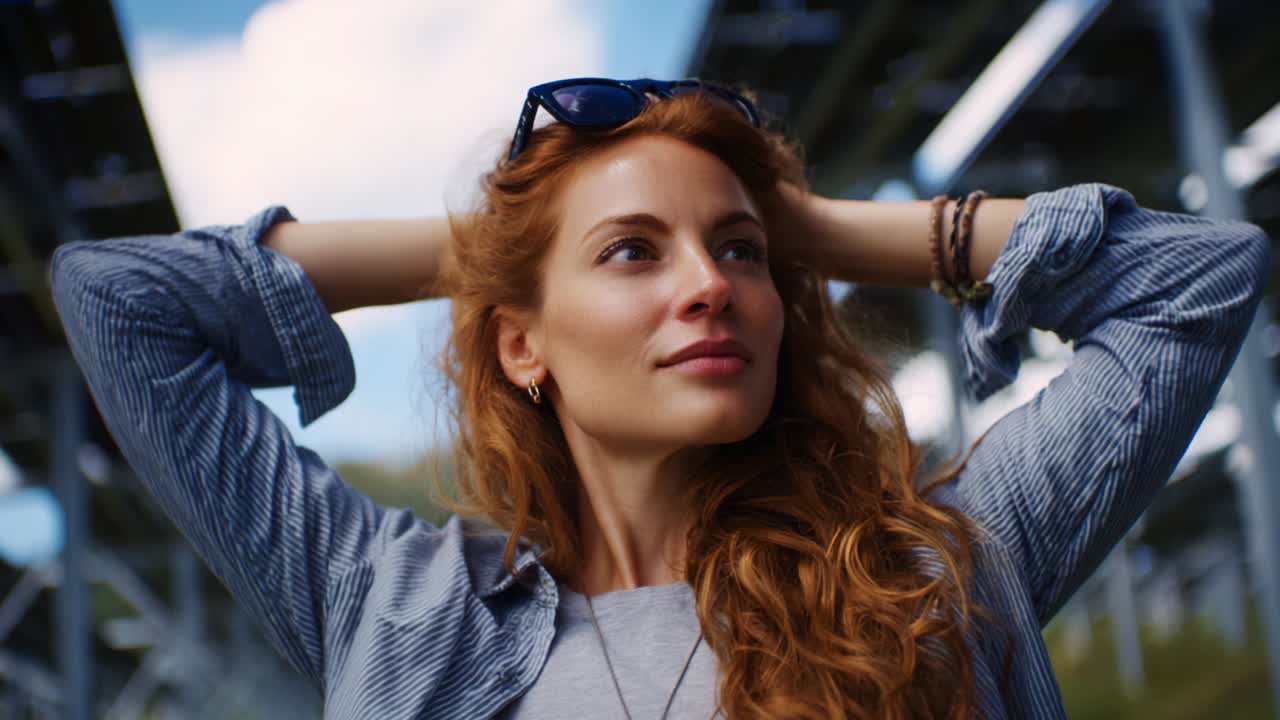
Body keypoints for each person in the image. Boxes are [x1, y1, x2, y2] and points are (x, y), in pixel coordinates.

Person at [50, 77, 1269, 719]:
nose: (709, 286)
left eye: (741, 255)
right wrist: (504, 244)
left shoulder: (935, 569)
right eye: (633, 254)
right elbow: (118, 299)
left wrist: (814, 226)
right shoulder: (385, 605)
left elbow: (1192, 278)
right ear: (522, 344)